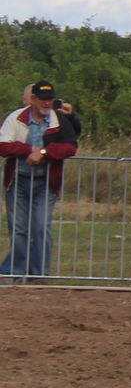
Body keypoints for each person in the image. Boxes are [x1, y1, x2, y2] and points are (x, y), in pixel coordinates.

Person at [0, 80, 79, 277]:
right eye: (43, 99)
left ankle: (39, 275)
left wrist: (44, 152)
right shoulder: (16, 118)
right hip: (17, 181)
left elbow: (71, 146)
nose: (47, 103)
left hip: (46, 183)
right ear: (33, 99)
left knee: (41, 228)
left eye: (50, 99)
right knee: (18, 229)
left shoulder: (59, 119)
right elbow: (3, 146)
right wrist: (30, 149)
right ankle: (16, 273)